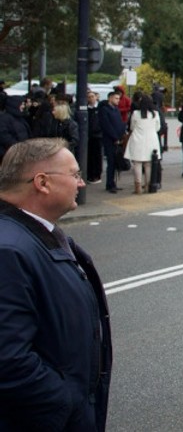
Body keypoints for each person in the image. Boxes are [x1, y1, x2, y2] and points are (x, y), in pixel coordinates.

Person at [0, 138, 112, 430]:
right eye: (74, 174)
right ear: (42, 182)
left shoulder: (32, 236)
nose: (82, 183)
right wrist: (68, 403)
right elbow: (8, 359)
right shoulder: (9, 251)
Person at [125, 95, 162, 195]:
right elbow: (158, 128)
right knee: (148, 164)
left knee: (137, 163)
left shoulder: (135, 114)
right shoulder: (155, 114)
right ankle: (147, 185)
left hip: (137, 139)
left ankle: (138, 187)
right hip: (151, 140)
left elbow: (132, 126)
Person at [98, 91, 125, 194]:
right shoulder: (104, 110)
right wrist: (115, 137)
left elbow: (119, 122)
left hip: (118, 139)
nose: (118, 101)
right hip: (110, 140)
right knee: (111, 162)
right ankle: (109, 184)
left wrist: (121, 134)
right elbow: (106, 125)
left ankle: (113, 183)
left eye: (118, 99)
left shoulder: (116, 110)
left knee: (115, 161)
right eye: (116, 98)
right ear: (110, 98)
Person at [84, 91, 102, 182]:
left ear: (96, 97)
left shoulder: (99, 108)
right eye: (89, 97)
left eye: (92, 96)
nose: (90, 98)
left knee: (97, 156)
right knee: (89, 156)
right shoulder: (86, 109)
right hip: (88, 135)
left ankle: (97, 174)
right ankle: (90, 174)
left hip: (97, 135)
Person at [151, 84, 168, 152]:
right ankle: (163, 147)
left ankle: (159, 152)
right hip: (161, 125)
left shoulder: (153, 109)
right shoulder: (160, 110)